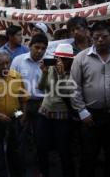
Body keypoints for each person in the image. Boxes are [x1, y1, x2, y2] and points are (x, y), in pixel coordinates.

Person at [71, 21, 110, 177]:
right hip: (91, 116)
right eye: (96, 37)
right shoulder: (81, 58)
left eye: (104, 37)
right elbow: (74, 86)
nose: (100, 40)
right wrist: (82, 111)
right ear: (91, 37)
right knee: (88, 157)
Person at [37, 44, 76, 177]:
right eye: (57, 58)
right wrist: (44, 72)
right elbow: (41, 87)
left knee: (64, 149)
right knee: (42, 147)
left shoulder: (74, 71)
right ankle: (44, 172)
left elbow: (66, 93)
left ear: (70, 60)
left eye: (63, 59)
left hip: (62, 115)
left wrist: (61, 75)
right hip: (45, 112)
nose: (59, 61)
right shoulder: (51, 69)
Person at [11, 33, 48, 115]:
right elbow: (11, 83)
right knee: (21, 126)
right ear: (30, 46)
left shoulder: (48, 65)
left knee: (39, 127)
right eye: (37, 47)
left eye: (43, 48)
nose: (39, 51)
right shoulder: (17, 60)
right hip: (20, 103)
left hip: (42, 104)